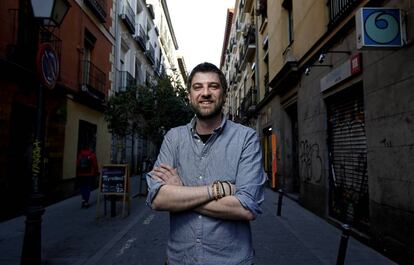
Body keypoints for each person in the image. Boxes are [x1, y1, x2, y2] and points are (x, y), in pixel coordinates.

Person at [146, 62, 266, 265]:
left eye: (213, 86)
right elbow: (158, 199)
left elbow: (246, 208)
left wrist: (181, 192)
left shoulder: (246, 138)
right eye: (198, 87)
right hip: (179, 260)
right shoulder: (173, 138)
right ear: (189, 96)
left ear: (224, 94)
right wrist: (217, 190)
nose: (206, 93)